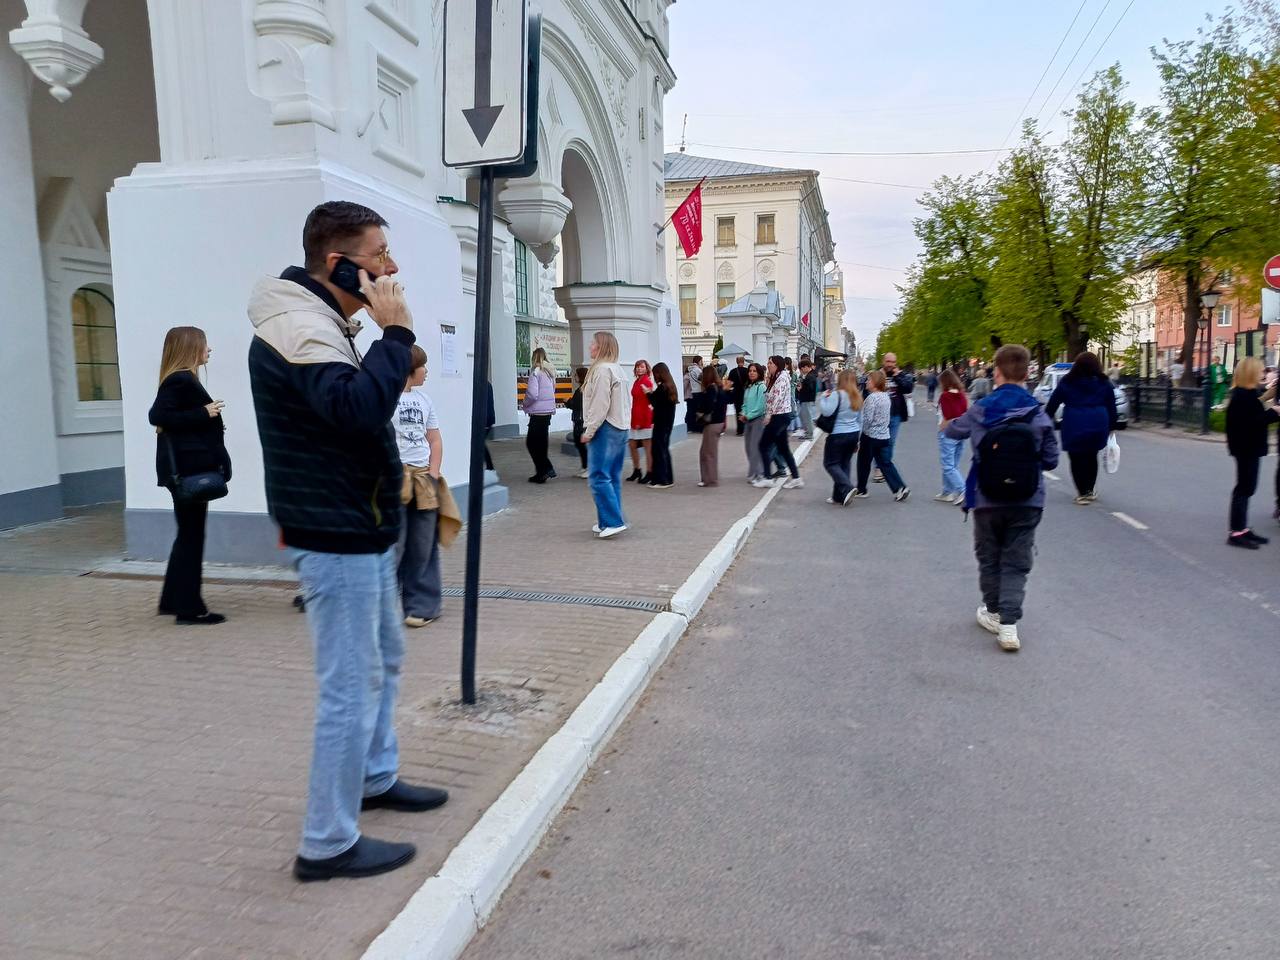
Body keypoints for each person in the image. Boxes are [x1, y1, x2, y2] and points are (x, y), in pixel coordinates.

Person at [248, 200, 447, 883]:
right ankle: (326, 843)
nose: (391, 269)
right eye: (379, 256)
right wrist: (396, 338)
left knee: (385, 658)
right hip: (335, 532)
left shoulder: (324, 321)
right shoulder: (299, 327)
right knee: (351, 685)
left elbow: (356, 409)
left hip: (357, 523)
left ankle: (374, 777)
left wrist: (385, 341)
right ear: (339, 264)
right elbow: (358, 410)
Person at [944, 344, 1058, 652]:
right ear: (1026, 372)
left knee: (989, 557)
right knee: (1016, 562)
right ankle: (1009, 626)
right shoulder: (1037, 412)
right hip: (1028, 499)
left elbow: (954, 431)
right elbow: (1051, 460)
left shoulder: (983, 408)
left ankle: (993, 611)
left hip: (987, 497)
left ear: (996, 372)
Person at [148, 326, 231, 626]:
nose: (209, 349)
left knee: (188, 536)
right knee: (190, 537)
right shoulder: (180, 379)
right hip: (188, 473)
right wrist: (203, 413)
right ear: (191, 347)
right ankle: (188, 609)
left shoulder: (181, 379)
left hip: (186, 471)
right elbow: (157, 416)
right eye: (204, 344)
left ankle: (178, 601)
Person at [394, 345, 446, 629]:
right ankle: (383, 606)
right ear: (410, 370)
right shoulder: (384, 398)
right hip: (394, 480)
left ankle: (423, 606)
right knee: (393, 544)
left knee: (423, 543)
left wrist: (434, 474)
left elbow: (434, 439)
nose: (426, 371)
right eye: (423, 366)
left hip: (424, 478)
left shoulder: (425, 400)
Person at [1045, 352, 1117, 505]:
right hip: (1098, 421)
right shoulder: (1104, 382)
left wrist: (1045, 419)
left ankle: (1082, 492)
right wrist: (1112, 426)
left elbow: (1053, 402)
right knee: (1092, 456)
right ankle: (1090, 490)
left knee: (1076, 457)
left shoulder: (1068, 381)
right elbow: (1111, 405)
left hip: (1074, 421)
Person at [1225, 357, 1280, 550]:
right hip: (1246, 448)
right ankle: (1236, 532)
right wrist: (1273, 413)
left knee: (1247, 488)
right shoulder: (1243, 397)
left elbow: (1252, 416)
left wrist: (1267, 393)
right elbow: (1251, 423)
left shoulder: (1246, 394)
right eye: (1260, 371)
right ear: (1250, 374)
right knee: (1244, 488)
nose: (1263, 374)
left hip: (1247, 448)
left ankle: (1242, 528)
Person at [581, 331, 630, 538]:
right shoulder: (617, 369)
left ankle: (613, 521)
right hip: (620, 427)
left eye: (593, 343)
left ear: (600, 347)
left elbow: (600, 404)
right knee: (611, 477)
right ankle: (606, 521)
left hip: (605, 427)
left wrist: (589, 430)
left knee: (598, 477)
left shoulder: (601, 370)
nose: (590, 346)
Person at [854, 371, 909, 501]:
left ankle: (862, 490)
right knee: (885, 463)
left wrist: (861, 436)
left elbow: (867, 420)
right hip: (884, 436)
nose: (866, 382)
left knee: (863, 463)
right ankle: (900, 487)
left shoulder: (871, 398)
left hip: (870, 436)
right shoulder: (886, 397)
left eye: (869, 380)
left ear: (875, 383)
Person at [755, 356, 803, 489]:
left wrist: (769, 415)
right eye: (768, 363)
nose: (768, 365)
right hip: (780, 416)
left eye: (770, 363)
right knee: (784, 449)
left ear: (777, 365)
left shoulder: (781, 378)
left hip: (778, 417)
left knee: (763, 445)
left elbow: (777, 398)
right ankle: (796, 477)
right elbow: (770, 395)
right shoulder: (777, 377)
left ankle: (767, 478)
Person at [818, 369, 863, 505]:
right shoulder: (857, 396)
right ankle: (839, 496)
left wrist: (822, 398)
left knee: (830, 464)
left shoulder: (837, 395)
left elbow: (826, 412)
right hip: (853, 433)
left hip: (838, 434)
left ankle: (847, 487)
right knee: (844, 464)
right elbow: (861, 420)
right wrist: (858, 440)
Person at [523, 347, 558, 483]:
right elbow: (552, 391)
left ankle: (545, 469)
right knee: (542, 442)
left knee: (531, 443)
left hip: (537, 412)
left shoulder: (535, 372)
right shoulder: (550, 373)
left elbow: (532, 394)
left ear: (534, 357)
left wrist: (525, 403)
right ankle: (543, 472)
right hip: (548, 412)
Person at [935, 368, 968, 504]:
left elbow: (948, 415)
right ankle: (947, 492)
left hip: (948, 432)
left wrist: (941, 426)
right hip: (961, 432)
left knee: (948, 465)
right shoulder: (962, 395)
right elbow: (964, 413)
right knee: (953, 464)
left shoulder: (945, 396)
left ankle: (963, 490)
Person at [646, 362, 678, 489]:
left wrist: (648, 393)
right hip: (667, 423)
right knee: (663, 450)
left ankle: (662, 480)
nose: (654, 376)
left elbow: (655, 402)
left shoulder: (662, 388)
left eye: (655, 374)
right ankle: (667, 478)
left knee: (659, 450)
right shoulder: (670, 386)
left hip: (661, 423)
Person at [697, 365, 729, 486]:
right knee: (709, 452)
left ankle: (709, 479)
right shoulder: (720, 388)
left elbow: (708, 406)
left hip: (712, 423)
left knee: (707, 453)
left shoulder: (711, 389)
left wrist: (700, 412)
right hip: (719, 422)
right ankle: (709, 478)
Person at [880, 352, 913, 463]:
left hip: (895, 414)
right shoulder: (878, 375)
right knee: (880, 441)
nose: (890, 364)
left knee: (891, 442)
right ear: (883, 362)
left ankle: (886, 466)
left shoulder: (900, 374)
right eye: (888, 361)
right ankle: (879, 467)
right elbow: (867, 392)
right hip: (880, 415)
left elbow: (908, 389)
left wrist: (897, 376)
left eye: (893, 362)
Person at [627, 359, 655, 483]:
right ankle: (636, 469)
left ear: (646, 368)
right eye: (637, 367)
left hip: (644, 416)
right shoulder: (636, 381)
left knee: (647, 446)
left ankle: (650, 472)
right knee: (632, 444)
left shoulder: (647, 382)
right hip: (635, 415)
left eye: (642, 367)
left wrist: (641, 420)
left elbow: (648, 402)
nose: (639, 369)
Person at [741, 362, 768, 483]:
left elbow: (761, 407)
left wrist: (748, 415)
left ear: (759, 373)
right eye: (750, 371)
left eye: (754, 371)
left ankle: (757, 473)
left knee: (754, 447)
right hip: (747, 420)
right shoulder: (749, 387)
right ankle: (756, 471)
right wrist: (743, 413)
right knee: (748, 447)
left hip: (757, 420)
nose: (751, 373)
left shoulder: (761, 387)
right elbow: (745, 403)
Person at [566, 366, 590, 479]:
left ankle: (588, 468)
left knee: (582, 445)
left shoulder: (582, 390)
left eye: (576, 375)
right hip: (578, 420)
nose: (574, 377)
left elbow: (577, 405)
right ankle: (584, 466)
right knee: (579, 444)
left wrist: (568, 401)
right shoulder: (580, 389)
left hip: (582, 421)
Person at [795, 359, 819, 440]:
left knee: (807, 417)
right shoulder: (810, 375)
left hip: (807, 399)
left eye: (801, 369)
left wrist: (801, 388)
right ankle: (808, 433)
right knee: (804, 415)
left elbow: (809, 388)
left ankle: (809, 434)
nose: (801, 371)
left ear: (805, 367)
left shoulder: (810, 376)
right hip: (806, 399)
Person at [727, 355, 750, 436]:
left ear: (737, 362)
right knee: (746, 410)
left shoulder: (733, 371)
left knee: (738, 411)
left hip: (736, 394)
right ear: (743, 362)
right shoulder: (748, 371)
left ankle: (739, 430)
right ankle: (746, 428)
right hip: (746, 393)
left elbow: (729, 384)